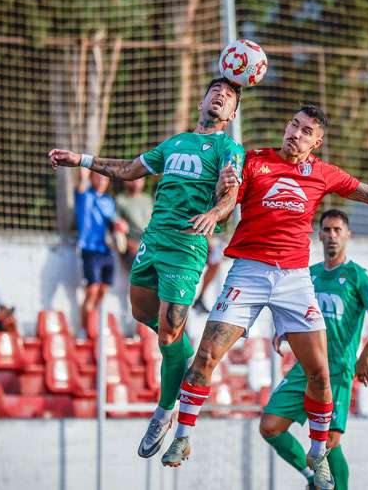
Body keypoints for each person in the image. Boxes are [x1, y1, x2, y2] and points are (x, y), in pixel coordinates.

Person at [162, 104, 368, 488]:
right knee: (206, 356)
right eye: (293, 124)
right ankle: (182, 437)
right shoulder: (253, 161)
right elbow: (229, 204)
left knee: (320, 372)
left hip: (294, 279)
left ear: (317, 141)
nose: (295, 133)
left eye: (306, 130)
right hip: (248, 271)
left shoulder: (323, 174)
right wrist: (222, 195)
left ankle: (318, 454)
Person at [48, 77, 246, 459]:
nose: (221, 96)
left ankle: (164, 409)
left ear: (233, 113)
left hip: (188, 247)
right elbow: (128, 170)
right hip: (153, 241)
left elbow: (230, 192)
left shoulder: (228, 148)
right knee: (141, 312)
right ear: (202, 99)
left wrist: (216, 210)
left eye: (230, 96)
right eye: (216, 91)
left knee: (168, 335)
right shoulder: (175, 144)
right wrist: (81, 159)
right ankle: (183, 353)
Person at [260, 209, 368, 490]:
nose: (332, 236)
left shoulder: (358, 276)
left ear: (347, 235)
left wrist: (366, 355)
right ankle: (315, 480)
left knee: (329, 441)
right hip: (305, 368)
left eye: (337, 230)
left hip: (337, 370)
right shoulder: (310, 274)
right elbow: (291, 309)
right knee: (270, 426)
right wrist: (281, 327)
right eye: (327, 230)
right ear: (319, 235)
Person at [75, 167, 127, 329]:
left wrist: (120, 226)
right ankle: (84, 331)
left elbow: (113, 223)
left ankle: (93, 327)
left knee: (103, 291)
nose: (101, 181)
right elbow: (82, 186)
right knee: (92, 289)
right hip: (90, 248)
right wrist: (83, 171)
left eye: (104, 178)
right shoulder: (85, 195)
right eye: (97, 177)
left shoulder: (109, 201)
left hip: (107, 250)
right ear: (91, 178)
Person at [115, 175, 153, 272]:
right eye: (134, 179)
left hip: (151, 246)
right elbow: (117, 228)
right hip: (132, 249)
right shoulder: (120, 200)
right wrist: (131, 245)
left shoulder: (148, 199)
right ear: (126, 181)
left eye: (140, 179)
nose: (137, 182)